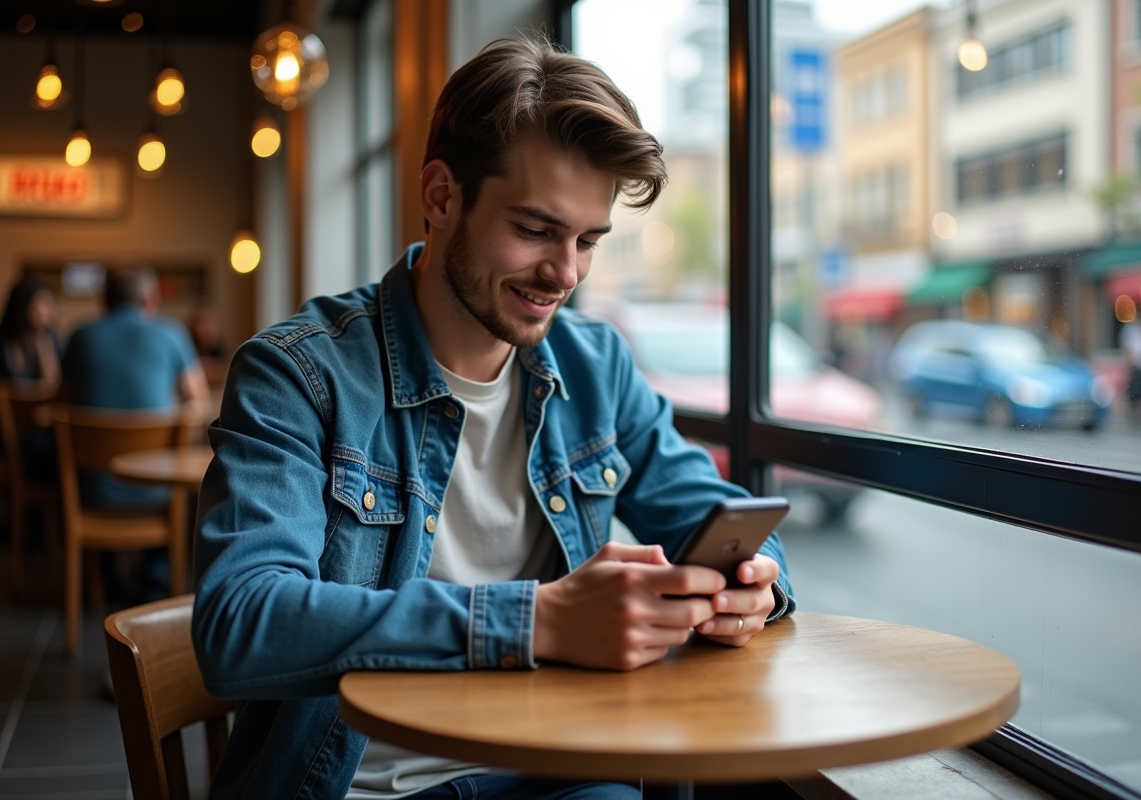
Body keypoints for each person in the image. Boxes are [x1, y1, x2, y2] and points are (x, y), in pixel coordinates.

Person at [192, 36, 795, 800]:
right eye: (537, 230)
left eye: (587, 241)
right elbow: (240, 623)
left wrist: (756, 585)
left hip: (555, 771)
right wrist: (535, 621)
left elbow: (719, 517)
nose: (566, 273)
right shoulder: (298, 374)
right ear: (442, 196)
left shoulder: (595, 365)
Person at [61, 267, 209, 597]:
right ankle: (155, 580)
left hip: (94, 490)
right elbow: (196, 401)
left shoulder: (80, 335)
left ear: (103, 300)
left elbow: (65, 398)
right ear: (151, 301)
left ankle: (105, 578)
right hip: (158, 493)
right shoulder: (172, 334)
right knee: (172, 473)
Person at [0, 277, 62, 389]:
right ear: (22, 305)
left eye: (50, 302)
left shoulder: (52, 338)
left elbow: (53, 384)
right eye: (42, 302)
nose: (50, 309)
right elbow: (16, 383)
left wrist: (43, 342)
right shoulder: (6, 342)